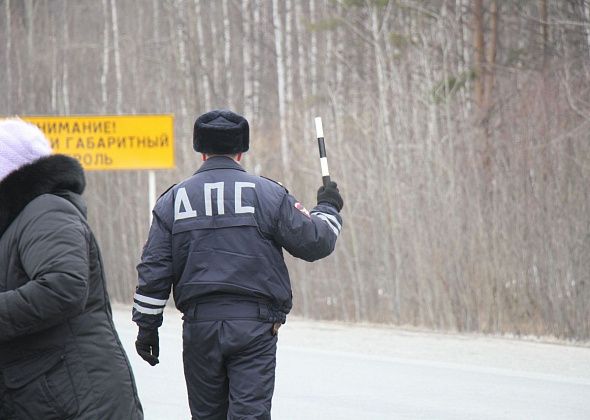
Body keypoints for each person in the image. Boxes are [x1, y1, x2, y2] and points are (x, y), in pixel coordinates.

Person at [132, 109, 344, 419]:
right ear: (241, 151)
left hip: (199, 328)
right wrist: (328, 206)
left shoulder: (172, 201)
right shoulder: (268, 194)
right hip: (255, 328)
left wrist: (147, 328)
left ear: (200, 150)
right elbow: (316, 241)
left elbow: (154, 271)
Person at [0, 118, 143, 420]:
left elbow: (63, 286)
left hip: (76, 399)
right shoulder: (18, 224)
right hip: (45, 396)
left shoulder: (45, 210)